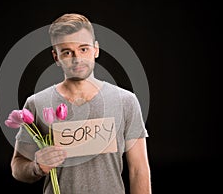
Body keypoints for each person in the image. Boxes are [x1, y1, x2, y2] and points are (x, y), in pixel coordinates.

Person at [10, 13, 152, 194]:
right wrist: (37, 167)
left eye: (83, 49)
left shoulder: (125, 101)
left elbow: (139, 170)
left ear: (96, 50)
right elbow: (17, 166)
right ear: (56, 58)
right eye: (67, 52)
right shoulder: (37, 103)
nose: (77, 58)